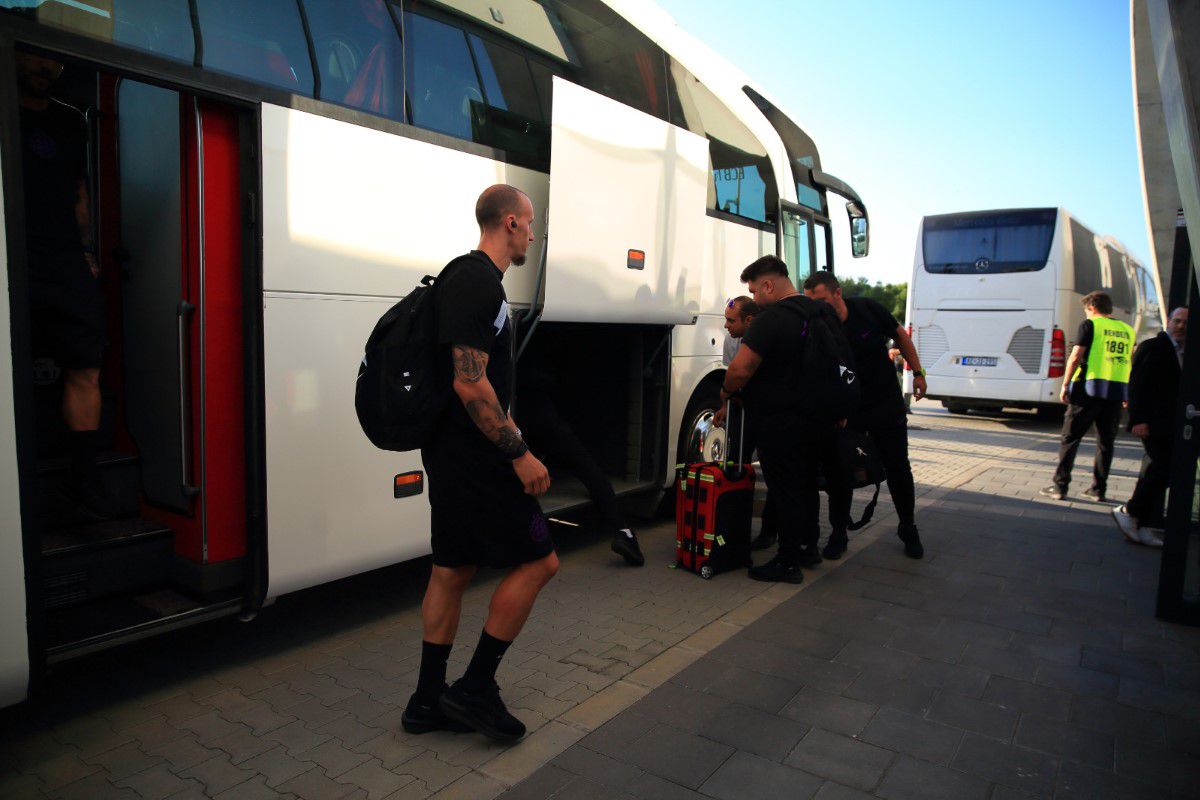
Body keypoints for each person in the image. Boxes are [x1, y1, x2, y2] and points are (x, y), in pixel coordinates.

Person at [404, 185, 559, 743]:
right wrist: (518, 453)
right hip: (479, 457)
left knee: (451, 570)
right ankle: (473, 688)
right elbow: (469, 382)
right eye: (531, 223)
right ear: (511, 222)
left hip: (453, 456)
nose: (534, 234)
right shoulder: (475, 282)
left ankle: (426, 702)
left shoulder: (469, 279)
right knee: (541, 562)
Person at [17, 51, 110, 518]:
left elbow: (79, 194)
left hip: (64, 261)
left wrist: (88, 253)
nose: (44, 68)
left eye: (53, 61)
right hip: (12, 255)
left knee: (85, 367)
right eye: (35, 55)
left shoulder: (72, 122)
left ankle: (85, 480)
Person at [721, 256, 852, 583]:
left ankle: (788, 561)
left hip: (781, 420)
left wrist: (726, 391)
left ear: (768, 285)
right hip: (820, 418)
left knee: (785, 489)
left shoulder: (772, 318)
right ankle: (809, 548)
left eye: (754, 290)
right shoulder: (822, 312)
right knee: (807, 484)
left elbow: (740, 369)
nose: (754, 298)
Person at [803, 272, 925, 559]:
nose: (817, 308)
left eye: (821, 300)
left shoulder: (868, 309)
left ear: (837, 293)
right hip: (848, 411)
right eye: (812, 303)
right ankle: (838, 533)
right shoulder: (819, 327)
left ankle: (908, 526)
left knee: (898, 467)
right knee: (839, 472)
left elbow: (901, 336)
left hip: (885, 404)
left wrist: (917, 372)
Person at [515, 341, 644, 566]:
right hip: (545, 418)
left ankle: (523, 538)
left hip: (520, 417)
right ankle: (623, 531)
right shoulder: (540, 355)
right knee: (588, 469)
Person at [1039, 292, 1135, 502]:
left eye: (1086, 310)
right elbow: (1129, 362)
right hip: (1115, 392)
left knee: (1070, 438)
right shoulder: (1127, 330)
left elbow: (1076, 356)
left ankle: (1059, 486)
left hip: (1087, 390)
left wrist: (1065, 384)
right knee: (1106, 442)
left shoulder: (1090, 325)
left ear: (1092, 307)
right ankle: (1098, 490)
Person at [1112, 307, 1188, 546]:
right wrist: (1138, 420)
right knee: (1162, 468)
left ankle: (1140, 523)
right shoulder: (1153, 347)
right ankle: (1129, 511)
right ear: (1168, 321)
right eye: (1177, 321)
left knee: (1158, 471)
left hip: (1170, 423)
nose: (1180, 326)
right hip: (1152, 422)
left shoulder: (1186, 351)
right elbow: (1137, 386)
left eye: (1185, 323)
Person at [714, 296, 778, 551]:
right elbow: (732, 376)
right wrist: (724, 406)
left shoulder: (766, 338)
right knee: (735, 464)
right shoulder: (731, 340)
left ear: (748, 320)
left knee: (773, 471)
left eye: (731, 321)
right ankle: (733, 524)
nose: (726, 326)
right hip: (744, 408)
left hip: (767, 410)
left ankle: (769, 530)